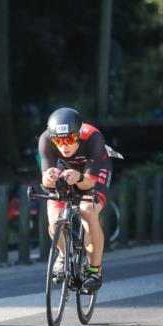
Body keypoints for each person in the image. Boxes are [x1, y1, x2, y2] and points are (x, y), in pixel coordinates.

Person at [38, 107, 111, 292]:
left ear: (78, 135)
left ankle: (94, 270)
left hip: (93, 170)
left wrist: (78, 178)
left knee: (88, 212)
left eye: (70, 139)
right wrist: (51, 176)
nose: (64, 145)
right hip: (66, 169)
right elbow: (45, 180)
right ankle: (63, 255)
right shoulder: (45, 139)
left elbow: (87, 184)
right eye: (59, 140)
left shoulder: (93, 138)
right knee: (54, 222)